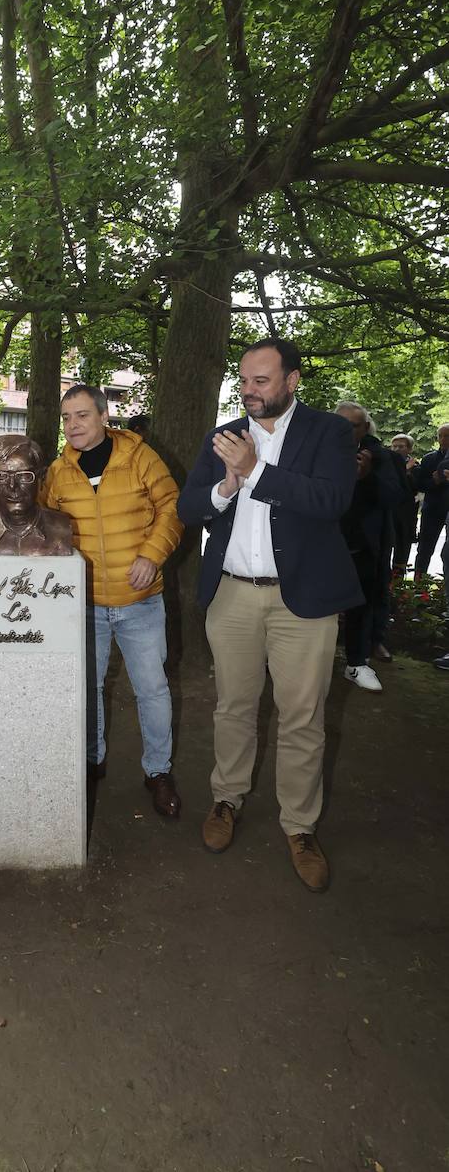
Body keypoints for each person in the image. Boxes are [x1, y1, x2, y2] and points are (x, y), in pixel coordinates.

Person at [177, 338, 362, 893]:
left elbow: (331, 501)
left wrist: (255, 471)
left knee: (302, 716)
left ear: (292, 381)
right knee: (233, 706)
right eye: (244, 380)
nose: (249, 391)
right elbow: (189, 508)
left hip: (301, 599)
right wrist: (225, 486)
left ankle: (300, 826)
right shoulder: (225, 437)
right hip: (233, 594)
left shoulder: (328, 432)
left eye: (261, 380)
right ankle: (226, 799)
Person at [41, 385, 184, 818]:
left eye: (82, 415)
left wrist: (151, 554)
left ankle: (158, 772)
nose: (73, 426)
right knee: (88, 687)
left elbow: (172, 506)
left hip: (140, 601)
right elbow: (43, 524)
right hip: (84, 605)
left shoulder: (139, 456)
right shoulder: (59, 472)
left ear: (104, 417)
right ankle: (91, 761)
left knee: (153, 690)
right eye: (66, 418)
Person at [335, 403, 402, 691]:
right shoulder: (317, 447)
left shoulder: (380, 457)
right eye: (342, 423)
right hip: (324, 542)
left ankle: (356, 662)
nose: (347, 430)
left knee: (360, 607)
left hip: (362, 546)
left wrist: (366, 477)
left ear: (365, 429)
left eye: (355, 425)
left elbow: (395, 497)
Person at [0, 435, 73, 555]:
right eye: (1, 476)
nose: (12, 486)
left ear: (42, 477)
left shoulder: (61, 527)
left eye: (24, 476)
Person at [412, 424, 449, 578]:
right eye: (441, 436)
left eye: (447, 436)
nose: (444, 439)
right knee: (424, 550)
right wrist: (435, 481)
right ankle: (418, 588)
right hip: (432, 510)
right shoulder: (429, 459)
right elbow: (420, 485)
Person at [389, 434, 419, 576]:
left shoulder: (416, 467)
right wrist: (405, 470)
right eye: (394, 446)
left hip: (406, 514)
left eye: (401, 446)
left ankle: (398, 581)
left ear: (409, 449)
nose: (396, 449)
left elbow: (415, 487)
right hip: (389, 512)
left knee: (402, 547)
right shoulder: (385, 465)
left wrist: (408, 471)